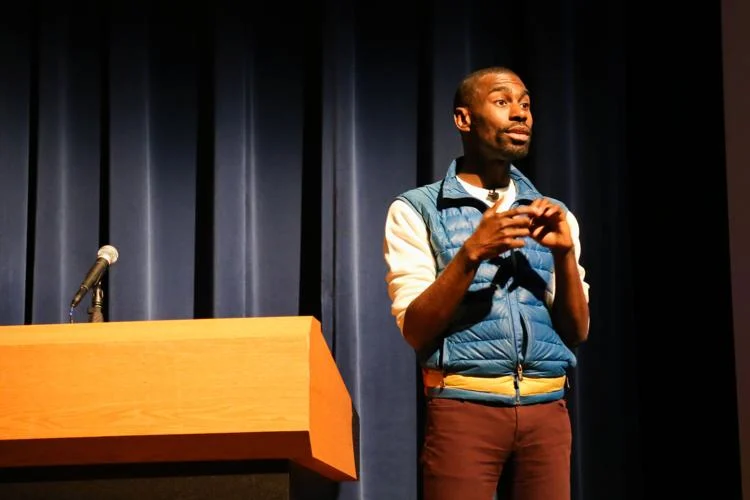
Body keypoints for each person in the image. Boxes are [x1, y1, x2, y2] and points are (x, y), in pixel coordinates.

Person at [383, 66, 590, 500]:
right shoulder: (416, 209)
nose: (520, 114)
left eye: (526, 104)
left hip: (547, 412)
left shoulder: (553, 214)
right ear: (464, 119)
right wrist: (471, 252)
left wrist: (565, 255)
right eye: (502, 102)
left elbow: (577, 331)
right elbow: (416, 329)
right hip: (463, 409)